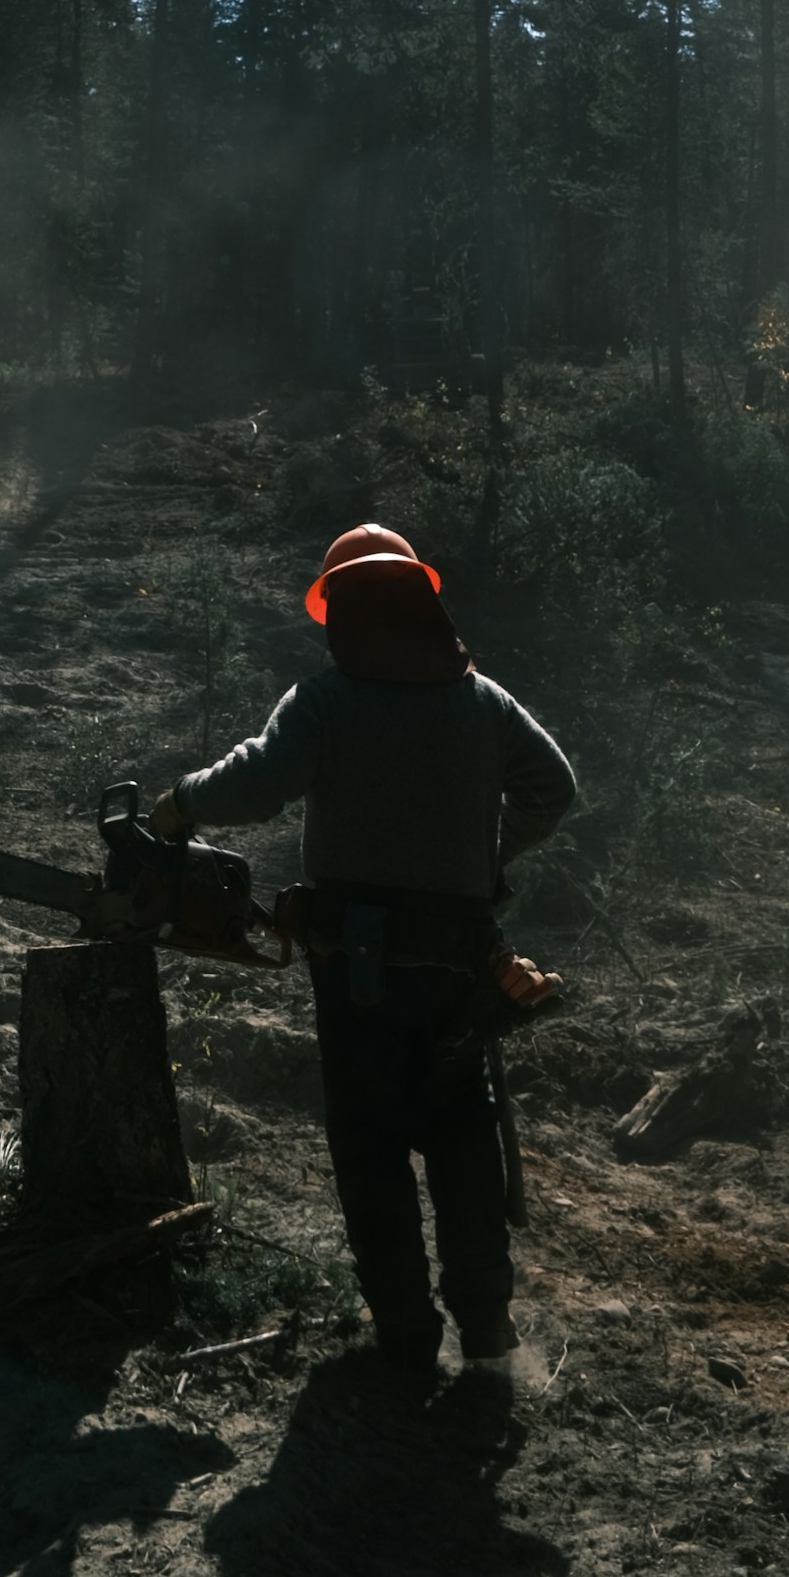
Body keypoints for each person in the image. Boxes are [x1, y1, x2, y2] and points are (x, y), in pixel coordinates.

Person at [150, 523, 575, 1389]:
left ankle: (406, 1339)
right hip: (458, 969)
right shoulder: (483, 701)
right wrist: (484, 857)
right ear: (421, 605)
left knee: (370, 1148)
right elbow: (553, 787)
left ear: (347, 611)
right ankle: (489, 1335)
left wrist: (177, 807)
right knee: (462, 1141)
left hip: (359, 973)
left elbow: (259, 782)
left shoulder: (328, 701)